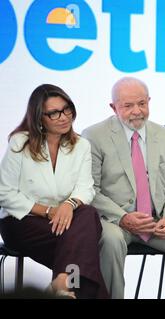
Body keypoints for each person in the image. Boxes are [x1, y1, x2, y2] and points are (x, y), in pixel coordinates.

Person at [82, 77, 165, 299]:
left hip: (157, 219)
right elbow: (90, 188)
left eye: (142, 103)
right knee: (110, 240)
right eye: (128, 106)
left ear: (149, 101)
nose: (137, 111)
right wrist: (123, 217)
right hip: (115, 220)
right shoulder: (93, 135)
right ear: (113, 107)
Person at [0, 84, 108, 299]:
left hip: (65, 223)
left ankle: (63, 283)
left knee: (87, 214)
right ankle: (65, 282)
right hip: (22, 222)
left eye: (66, 109)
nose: (64, 117)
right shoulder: (20, 142)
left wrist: (68, 205)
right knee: (85, 245)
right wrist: (50, 211)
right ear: (40, 118)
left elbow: (85, 188)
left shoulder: (81, 145)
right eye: (54, 113)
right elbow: (4, 193)